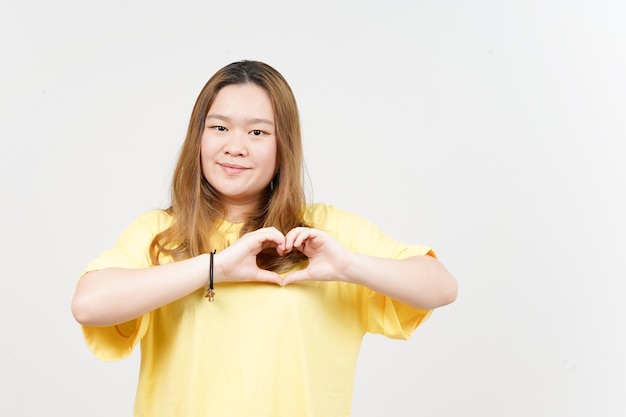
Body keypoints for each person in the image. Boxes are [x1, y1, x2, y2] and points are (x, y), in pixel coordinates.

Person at [71, 59, 458, 417]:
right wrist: (215, 267)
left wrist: (349, 266)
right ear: (198, 138)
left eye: (257, 132)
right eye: (219, 128)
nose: (234, 147)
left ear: (282, 145)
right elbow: (89, 304)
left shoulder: (325, 234)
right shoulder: (161, 233)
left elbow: (440, 286)